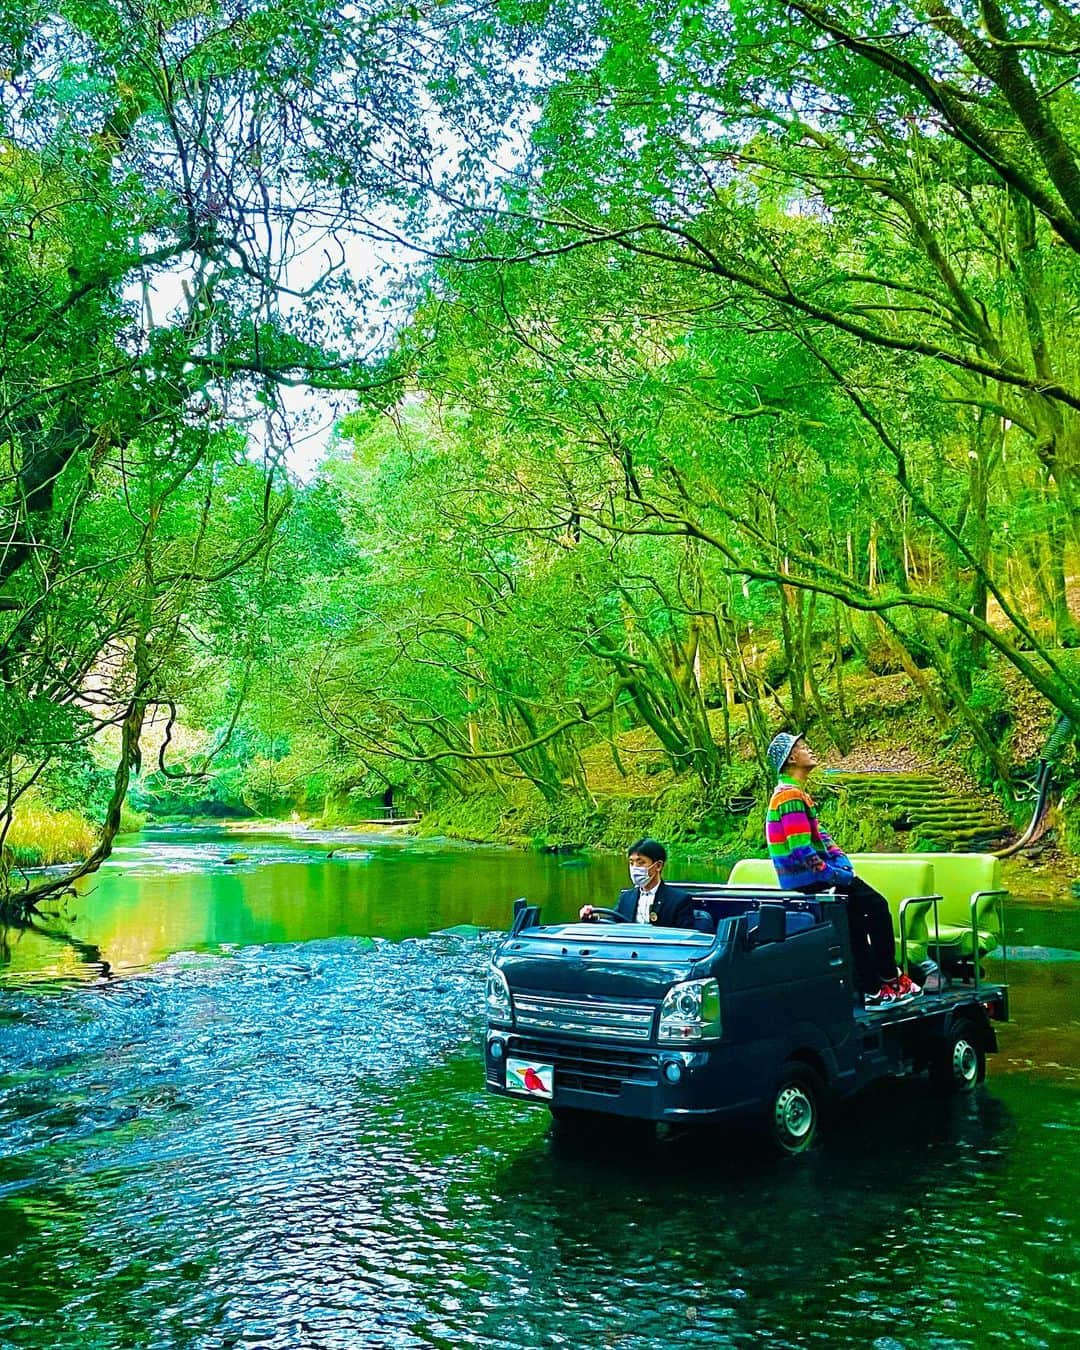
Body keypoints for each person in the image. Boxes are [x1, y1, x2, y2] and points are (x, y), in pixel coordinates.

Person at [765, 732, 921, 1005]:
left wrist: (842, 864)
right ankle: (889, 978)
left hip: (814, 877)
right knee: (877, 906)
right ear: (791, 758)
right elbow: (801, 849)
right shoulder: (789, 796)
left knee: (856, 923)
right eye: (802, 747)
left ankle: (873, 990)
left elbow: (822, 837)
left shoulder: (794, 793)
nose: (809, 750)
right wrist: (833, 876)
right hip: (811, 879)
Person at [579, 838, 696, 928]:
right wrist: (593, 917)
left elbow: (686, 939)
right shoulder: (626, 897)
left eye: (641, 863)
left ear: (658, 866)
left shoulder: (679, 900)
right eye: (631, 863)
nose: (635, 868)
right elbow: (613, 925)